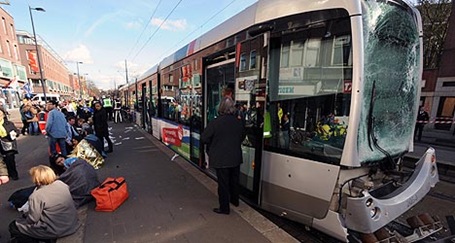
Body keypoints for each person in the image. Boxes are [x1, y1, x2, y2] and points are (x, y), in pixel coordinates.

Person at [9, 165, 80, 242]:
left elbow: (33, 219)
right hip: (72, 223)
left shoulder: (36, 196)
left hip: (57, 229)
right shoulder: (61, 184)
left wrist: (24, 218)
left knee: (14, 226)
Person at [201, 97, 245, 215]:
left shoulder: (215, 122)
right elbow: (242, 137)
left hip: (221, 158)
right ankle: (235, 201)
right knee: (234, 180)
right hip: (235, 156)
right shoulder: (238, 122)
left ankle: (224, 208)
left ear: (220, 108)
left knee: (223, 184)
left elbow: (204, 138)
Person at [0, 108, 20, 180]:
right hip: (0, 145)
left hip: (9, 144)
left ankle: (14, 174)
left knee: (10, 160)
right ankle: (5, 174)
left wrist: (15, 134)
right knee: (2, 161)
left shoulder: (9, 124)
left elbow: (17, 131)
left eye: (0, 114)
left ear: (3, 115)